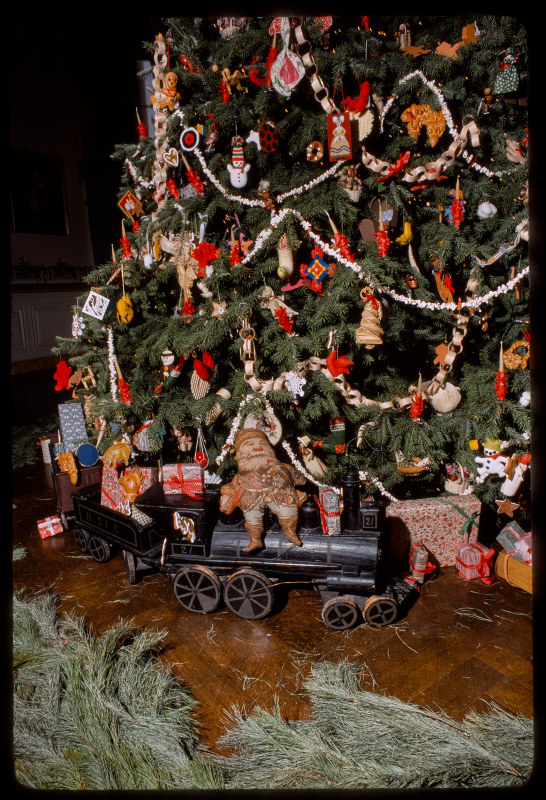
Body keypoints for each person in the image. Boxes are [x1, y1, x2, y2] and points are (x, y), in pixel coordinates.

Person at [219, 428, 307, 552]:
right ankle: (255, 540)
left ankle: (290, 532)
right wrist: (227, 490)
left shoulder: (282, 466)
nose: (258, 448)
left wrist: (299, 478)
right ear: (239, 452)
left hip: (280, 494)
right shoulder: (241, 474)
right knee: (251, 517)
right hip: (250, 498)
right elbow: (232, 486)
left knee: (288, 510)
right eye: (250, 444)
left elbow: (297, 477)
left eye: (263, 444)